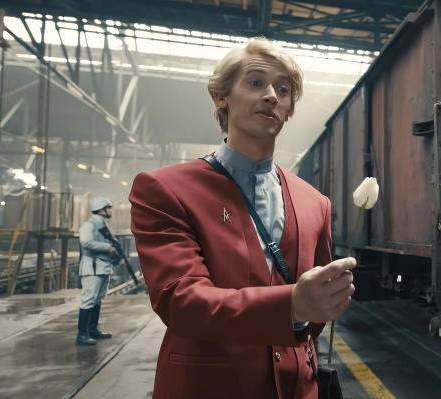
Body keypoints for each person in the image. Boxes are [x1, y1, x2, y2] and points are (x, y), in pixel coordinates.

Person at [129, 38, 356, 398]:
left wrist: (327, 298)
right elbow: (181, 300)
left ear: (289, 109)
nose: (271, 96)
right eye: (255, 83)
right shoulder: (165, 190)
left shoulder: (315, 203)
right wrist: (293, 304)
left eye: (283, 90)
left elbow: (315, 313)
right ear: (221, 96)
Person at [76, 196, 120, 346]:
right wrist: (107, 248)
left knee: (97, 299)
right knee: (88, 299)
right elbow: (86, 242)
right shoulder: (89, 225)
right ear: (101, 209)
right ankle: (82, 334)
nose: (110, 210)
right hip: (92, 267)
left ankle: (92, 330)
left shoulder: (103, 225)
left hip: (102, 267)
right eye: (108, 208)